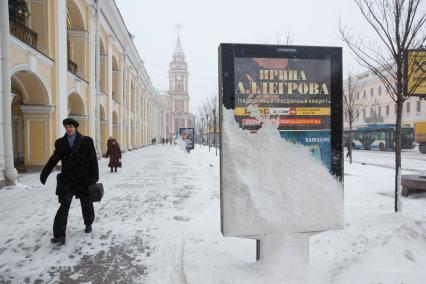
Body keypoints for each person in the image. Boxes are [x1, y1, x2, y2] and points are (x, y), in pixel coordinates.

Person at [40, 118, 99, 245]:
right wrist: (45, 173)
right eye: (66, 126)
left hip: (84, 178)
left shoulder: (86, 141)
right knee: (64, 206)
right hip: (67, 179)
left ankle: (88, 223)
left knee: (86, 202)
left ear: (76, 127)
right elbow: (54, 159)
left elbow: (93, 160)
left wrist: (94, 178)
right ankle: (60, 235)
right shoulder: (60, 143)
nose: (68, 129)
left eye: (71, 126)